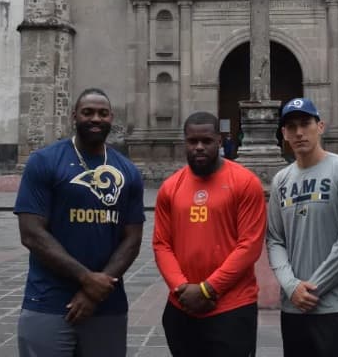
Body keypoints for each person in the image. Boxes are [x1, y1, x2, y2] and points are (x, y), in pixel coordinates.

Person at [14, 88, 145, 357]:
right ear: (74, 116)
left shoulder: (128, 171)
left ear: (112, 118)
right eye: (88, 112)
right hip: (49, 299)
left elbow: (132, 239)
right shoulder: (44, 161)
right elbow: (31, 233)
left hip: (107, 303)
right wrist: (87, 279)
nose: (95, 118)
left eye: (102, 113)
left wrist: (97, 289)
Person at [153, 111, 267, 357]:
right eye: (193, 141)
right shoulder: (170, 188)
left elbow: (250, 245)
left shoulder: (245, 183)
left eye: (206, 141)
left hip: (231, 307)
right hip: (181, 306)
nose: (199, 147)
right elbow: (162, 244)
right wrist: (181, 288)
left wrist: (207, 289)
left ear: (219, 140)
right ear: (185, 142)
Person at [266, 97, 338, 357]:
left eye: (305, 124)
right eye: (291, 127)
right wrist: (291, 287)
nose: (299, 132)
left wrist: (311, 289)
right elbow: (275, 239)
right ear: (284, 134)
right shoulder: (281, 180)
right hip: (294, 308)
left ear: (320, 126)